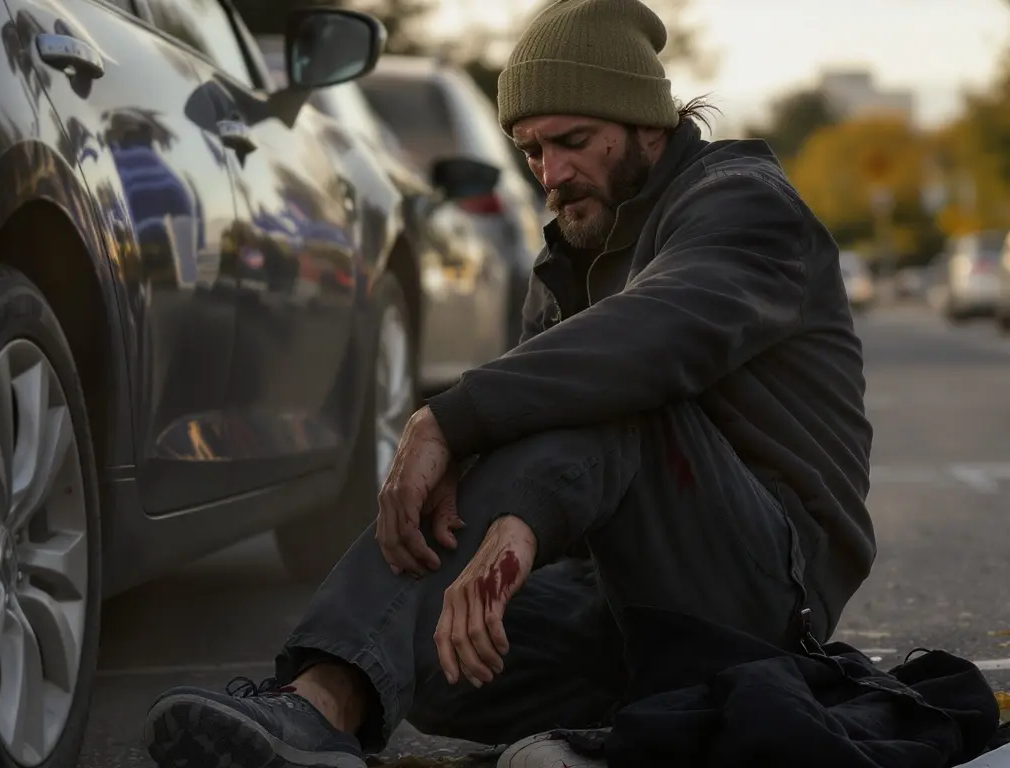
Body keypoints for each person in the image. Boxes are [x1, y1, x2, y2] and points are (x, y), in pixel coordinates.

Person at [143, 0, 875, 765]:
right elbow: (536, 441)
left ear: (648, 126)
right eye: (531, 151)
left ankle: (322, 702)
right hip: (623, 599)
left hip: (765, 595)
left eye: (573, 142)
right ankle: (336, 702)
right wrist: (498, 534)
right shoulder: (567, 264)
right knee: (424, 650)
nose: (552, 175)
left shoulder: (743, 206)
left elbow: (653, 343)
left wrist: (447, 423)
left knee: (599, 387)